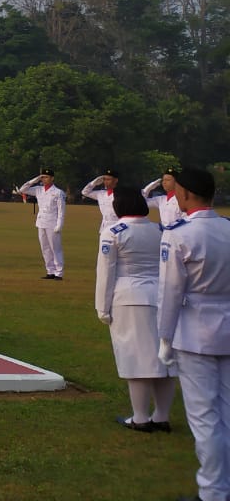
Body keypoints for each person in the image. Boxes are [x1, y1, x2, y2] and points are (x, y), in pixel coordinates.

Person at [157, 167, 230, 501]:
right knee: (226, 412)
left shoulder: (178, 233)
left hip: (195, 331)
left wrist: (164, 338)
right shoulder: (227, 229)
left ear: (184, 194)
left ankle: (213, 491)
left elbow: (171, 293)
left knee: (204, 417)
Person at [94, 185, 176, 433]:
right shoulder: (162, 230)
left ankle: (140, 417)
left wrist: (102, 308)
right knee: (164, 359)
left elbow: (105, 273)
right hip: (161, 297)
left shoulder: (114, 232)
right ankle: (161, 415)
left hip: (129, 298)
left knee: (136, 358)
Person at [18, 168, 66, 280]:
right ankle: (50, 271)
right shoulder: (38, 189)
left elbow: (61, 211)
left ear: (52, 178)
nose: (44, 179)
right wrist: (34, 180)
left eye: (47, 177)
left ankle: (59, 272)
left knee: (55, 248)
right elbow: (22, 190)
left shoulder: (58, 192)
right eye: (43, 177)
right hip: (41, 222)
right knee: (45, 248)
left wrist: (59, 225)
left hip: (53, 223)